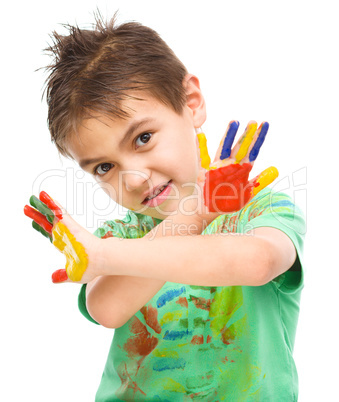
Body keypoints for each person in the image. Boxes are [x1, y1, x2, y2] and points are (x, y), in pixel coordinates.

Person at [25, 13, 305, 401]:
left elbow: (257, 262)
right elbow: (106, 308)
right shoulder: (121, 237)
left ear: (191, 102)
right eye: (104, 167)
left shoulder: (260, 210)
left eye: (142, 138)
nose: (135, 178)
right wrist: (106, 255)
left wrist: (197, 211)